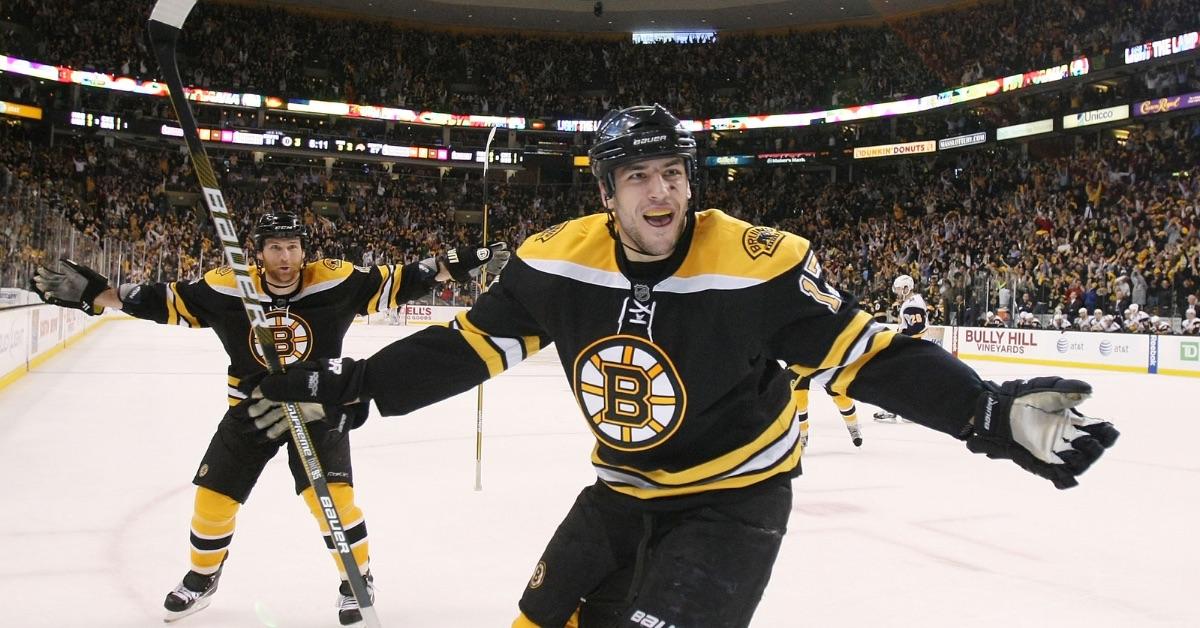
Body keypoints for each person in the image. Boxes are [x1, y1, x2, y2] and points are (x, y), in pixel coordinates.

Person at [243, 105, 1118, 628]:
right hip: (621, 491)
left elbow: (869, 356)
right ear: (605, 193)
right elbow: (471, 345)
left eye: (674, 174)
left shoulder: (753, 263)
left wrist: (988, 416)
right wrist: (354, 385)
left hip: (732, 501)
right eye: (639, 179)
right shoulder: (555, 261)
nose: (662, 194)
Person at [31, 211, 509, 626]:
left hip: (319, 406)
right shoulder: (226, 287)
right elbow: (165, 301)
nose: (286, 258)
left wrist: (453, 264)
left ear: (305, 251)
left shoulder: (336, 280)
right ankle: (203, 576)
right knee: (213, 501)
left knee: (334, 503)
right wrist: (101, 295)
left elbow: (399, 280)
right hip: (252, 408)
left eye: (294, 247)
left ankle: (355, 578)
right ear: (258, 253)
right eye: (276, 248)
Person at [874, 274, 925, 422]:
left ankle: (894, 410)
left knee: (892, 377)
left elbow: (917, 328)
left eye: (898, 289)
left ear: (906, 288)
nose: (896, 292)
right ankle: (906, 411)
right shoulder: (912, 301)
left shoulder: (912, 304)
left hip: (910, 348)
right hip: (912, 347)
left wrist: (900, 342)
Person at [789, 368, 863, 448]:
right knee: (799, 401)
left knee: (841, 397)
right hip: (798, 362)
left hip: (823, 360)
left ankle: (853, 426)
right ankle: (801, 436)